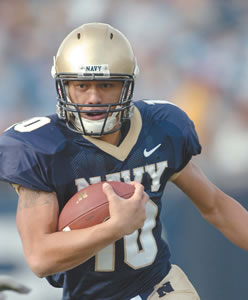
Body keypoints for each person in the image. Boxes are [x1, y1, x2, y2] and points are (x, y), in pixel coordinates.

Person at [0, 22, 247, 300]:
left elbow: (215, 205)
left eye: (106, 84)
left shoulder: (160, 128)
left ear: (127, 86)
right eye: (81, 85)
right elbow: (40, 257)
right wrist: (115, 228)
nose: (93, 97)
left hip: (158, 286)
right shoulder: (42, 147)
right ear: (63, 86)